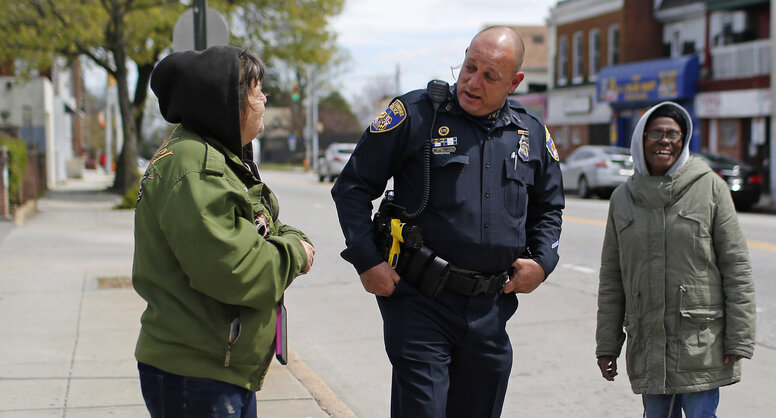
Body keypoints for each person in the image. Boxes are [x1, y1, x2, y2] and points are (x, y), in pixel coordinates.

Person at [331, 26, 564, 417]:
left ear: (514, 82)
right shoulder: (416, 114)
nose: (472, 82)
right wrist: (367, 261)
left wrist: (543, 261)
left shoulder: (530, 133)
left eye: (490, 76)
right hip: (420, 302)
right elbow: (352, 187)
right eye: (469, 66)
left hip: (490, 309)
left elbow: (549, 207)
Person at [132, 46, 315, 417]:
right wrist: (297, 252)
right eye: (255, 90)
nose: (264, 98)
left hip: (212, 369)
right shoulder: (198, 167)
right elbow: (237, 269)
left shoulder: (218, 156)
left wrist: (288, 240)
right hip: (198, 374)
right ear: (224, 101)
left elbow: (268, 225)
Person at [595, 101, 756, 418]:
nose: (664, 141)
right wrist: (607, 344)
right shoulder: (623, 199)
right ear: (641, 140)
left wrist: (740, 337)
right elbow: (612, 280)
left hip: (701, 345)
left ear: (684, 142)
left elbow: (736, 267)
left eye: (673, 134)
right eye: (655, 133)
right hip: (649, 344)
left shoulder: (710, 187)